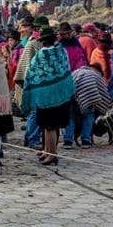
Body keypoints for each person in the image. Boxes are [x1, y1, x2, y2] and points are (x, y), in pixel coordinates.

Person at [22, 26, 74, 165]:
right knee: (53, 126)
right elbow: (67, 69)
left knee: (48, 126)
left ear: (42, 42)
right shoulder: (61, 52)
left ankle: (51, 154)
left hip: (45, 97)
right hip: (61, 94)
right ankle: (47, 150)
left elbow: (30, 74)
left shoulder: (40, 56)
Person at [13, 18, 45, 148]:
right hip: (32, 82)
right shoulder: (32, 43)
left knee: (36, 112)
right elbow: (25, 65)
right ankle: (33, 138)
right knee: (35, 112)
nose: (24, 29)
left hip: (39, 82)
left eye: (27, 26)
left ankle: (30, 137)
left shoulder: (38, 42)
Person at [67, 63, 109, 148]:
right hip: (89, 97)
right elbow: (104, 92)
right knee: (88, 116)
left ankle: (67, 141)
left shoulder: (76, 72)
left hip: (73, 97)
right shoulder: (95, 75)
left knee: (71, 118)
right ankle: (86, 141)